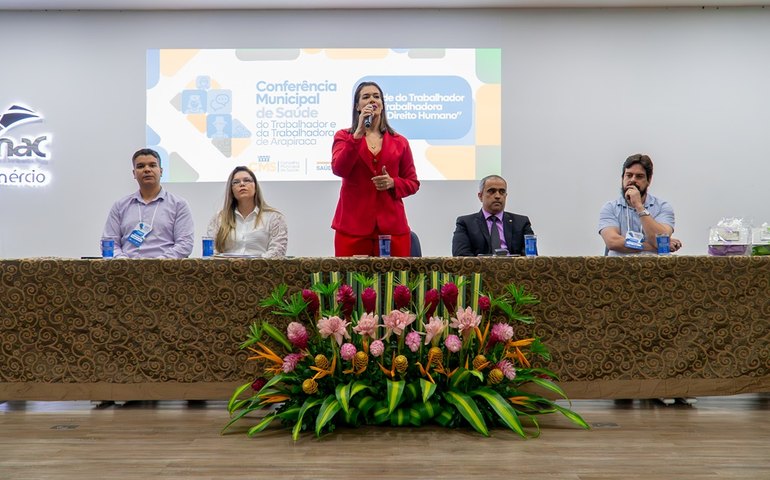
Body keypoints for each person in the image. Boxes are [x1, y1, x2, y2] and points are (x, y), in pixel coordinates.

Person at [331, 81, 420, 257]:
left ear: (382, 104)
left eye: (376, 96)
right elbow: (339, 169)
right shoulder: (344, 137)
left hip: (392, 230)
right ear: (357, 106)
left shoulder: (400, 142)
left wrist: (393, 183)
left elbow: (413, 182)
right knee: (350, 276)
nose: (372, 100)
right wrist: (357, 135)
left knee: (394, 276)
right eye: (366, 97)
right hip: (353, 229)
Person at [102, 148, 194, 258]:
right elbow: (109, 242)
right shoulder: (120, 206)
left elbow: (185, 244)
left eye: (152, 165)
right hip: (127, 267)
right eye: (141, 166)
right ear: (134, 173)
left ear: (161, 171)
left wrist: (159, 263)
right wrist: (124, 263)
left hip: (165, 267)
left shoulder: (179, 205)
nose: (147, 169)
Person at [598, 154, 683, 256]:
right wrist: (652, 246)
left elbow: (659, 240)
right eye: (629, 175)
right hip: (620, 265)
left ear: (649, 180)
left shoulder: (663, 207)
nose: (633, 180)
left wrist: (639, 206)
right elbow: (613, 242)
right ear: (622, 178)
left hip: (654, 265)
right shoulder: (610, 208)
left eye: (639, 176)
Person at [206, 166, 287, 257]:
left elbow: (278, 251)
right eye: (236, 182)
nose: (242, 184)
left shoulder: (274, 217)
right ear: (231, 190)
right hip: (226, 266)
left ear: (255, 187)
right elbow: (211, 250)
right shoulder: (220, 218)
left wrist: (254, 263)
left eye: (247, 180)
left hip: (262, 265)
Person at [452, 175, 534, 256]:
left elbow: (531, 255)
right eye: (491, 191)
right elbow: (461, 255)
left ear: (506, 196)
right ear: (480, 196)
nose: (497, 196)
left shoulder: (521, 222)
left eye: (502, 192)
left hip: (514, 264)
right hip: (480, 265)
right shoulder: (466, 223)